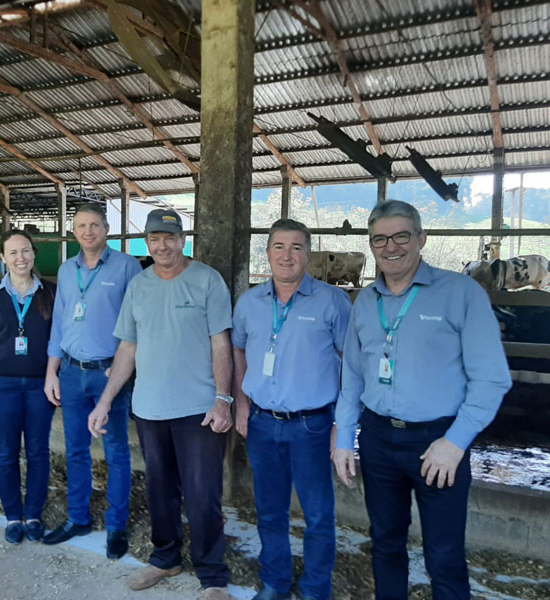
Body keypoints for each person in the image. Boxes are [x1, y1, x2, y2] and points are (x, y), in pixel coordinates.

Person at [334, 200, 512, 600]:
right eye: (379, 239)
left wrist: (455, 443)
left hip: (438, 440)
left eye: (401, 236)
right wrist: (344, 436)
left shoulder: (461, 293)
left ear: (421, 238)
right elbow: (353, 376)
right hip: (378, 438)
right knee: (385, 543)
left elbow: (491, 379)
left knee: (444, 555)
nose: (390, 246)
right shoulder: (365, 300)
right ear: (371, 244)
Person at [87, 209, 235, 600]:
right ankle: (166, 557)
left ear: (183, 240)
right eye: (155, 238)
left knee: (203, 494)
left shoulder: (207, 280)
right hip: (150, 409)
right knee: (159, 490)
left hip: (198, 409)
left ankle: (212, 575)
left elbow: (221, 345)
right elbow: (127, 348)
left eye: (170, 238)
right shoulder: (139, 285)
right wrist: (105, 402)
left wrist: (223, 400)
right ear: (147, 243)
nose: (162, 245)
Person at [232, 219, 351, 600]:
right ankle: (275, 582)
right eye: (279, 247)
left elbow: (351, 364)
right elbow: (238, 351)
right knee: (269, 511)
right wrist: (241, 404)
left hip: (312, 426)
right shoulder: (249, 302)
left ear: (308, 254)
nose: (287, 255)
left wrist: (342, 425)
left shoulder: (333, 301)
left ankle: (316, 588)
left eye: (296, 247)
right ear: (267, 252)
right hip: (262, 423)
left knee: (317, 515)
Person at [43, 203, 142, 558]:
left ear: (106, 229)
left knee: (116, 451)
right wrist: (51, 371)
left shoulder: (127, 266)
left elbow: (137, 324)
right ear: (74, 232)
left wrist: (125, 369)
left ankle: (116, 526)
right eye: (82, 226)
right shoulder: (66, 269)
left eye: (95, 225)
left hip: (109, 374)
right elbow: (59, 322)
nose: (88, 231)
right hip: (71, 372)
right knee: (76, 450)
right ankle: (78, 517)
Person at [0, 229, 57, 545]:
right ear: (3, 258)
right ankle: (12, 517)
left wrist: (56, 377)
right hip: (1, 385)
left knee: (38, 452)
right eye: (13, 252)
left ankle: (33, 515)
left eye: (25, 251)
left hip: (39, 386)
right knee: (7, 453)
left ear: (34, 253)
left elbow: (58, 340)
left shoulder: (51, 291)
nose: (21, 258)